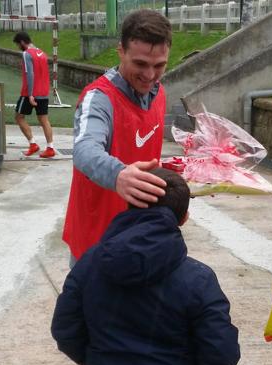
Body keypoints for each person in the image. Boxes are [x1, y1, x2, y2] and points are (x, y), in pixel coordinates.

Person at [51, 168, 241, 365]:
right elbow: (221, 353)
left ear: (129, 205)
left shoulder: (88, 264)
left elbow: (65, 329)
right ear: (184, 218)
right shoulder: (199, 279)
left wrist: (96, 361)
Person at [62, 10, 172, 266]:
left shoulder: (159, 94)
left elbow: (149, 161)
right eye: (140, 64)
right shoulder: (99, 98)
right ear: (120, 50)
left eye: (159, 66)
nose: (150, 75)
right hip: (97, 241)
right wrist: (118, 175)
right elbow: (84, 149)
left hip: (140, 237)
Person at [12, 31, 55, 158]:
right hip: (43, 92)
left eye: (18, 45)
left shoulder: (26, 54)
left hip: (29, 93)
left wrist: (30, 94)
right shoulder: (42, 53)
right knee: (44, 120)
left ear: (22, 42)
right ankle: (50, 147)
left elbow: (30, 74)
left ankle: (33, 144)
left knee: (19, 117)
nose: (18, 47)